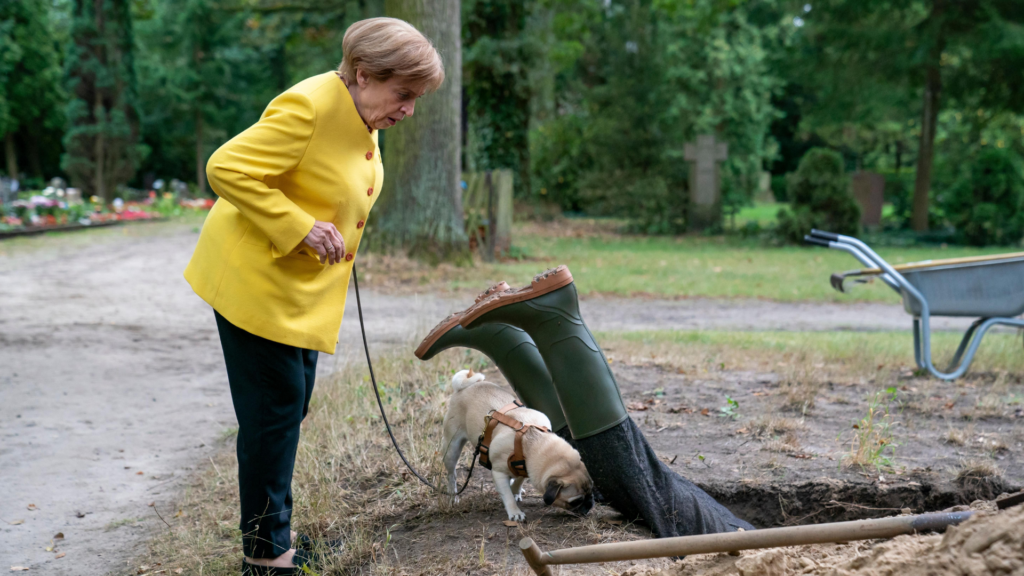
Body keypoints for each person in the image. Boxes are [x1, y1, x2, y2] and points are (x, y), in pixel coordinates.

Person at [183, 17, 444, 576]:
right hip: (255, 283)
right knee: (272, 416)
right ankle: (266, 558)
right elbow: (224, 167)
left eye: (416, 98)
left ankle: (272, 536)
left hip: (294, 290)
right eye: (404, 95)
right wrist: (299, 225)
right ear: (364, 75)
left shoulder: (359, 109)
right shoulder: (309, 107)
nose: (408, 110)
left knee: (287, 407)